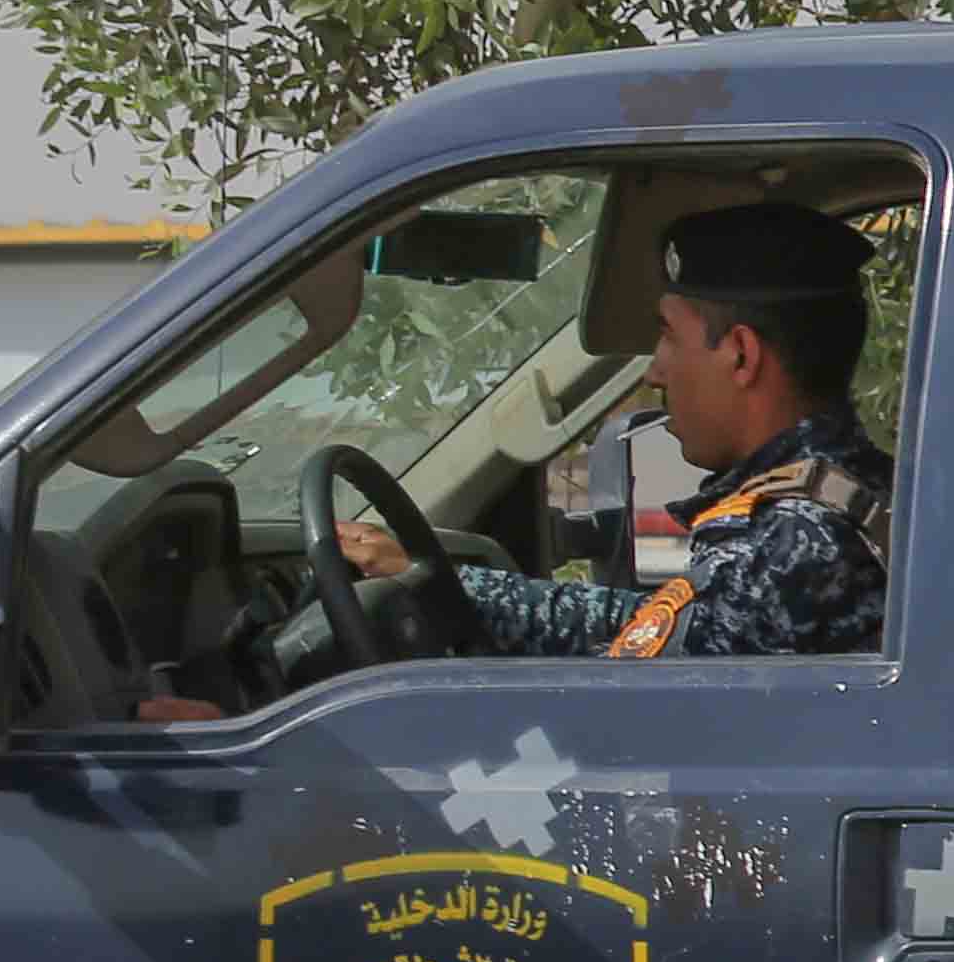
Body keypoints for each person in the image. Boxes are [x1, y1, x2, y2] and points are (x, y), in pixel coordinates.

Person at [346, 200, 893, 659]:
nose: (655, 371)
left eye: (668, 335)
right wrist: (444, 584)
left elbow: (628, 687)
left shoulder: (795, 541)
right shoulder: (843, 494)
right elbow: (656, 623)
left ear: (741, 355)